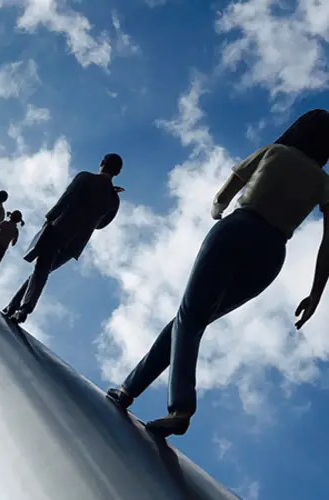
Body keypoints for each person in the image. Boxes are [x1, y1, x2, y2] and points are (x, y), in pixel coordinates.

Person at [107, 109, 329, 438]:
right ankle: (127, 390)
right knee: (190, 321)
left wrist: (217, 210)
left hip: (238, 229)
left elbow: (223, 195)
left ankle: (180, 408)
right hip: (271, 255)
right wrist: (315, 294)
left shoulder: (274, 152)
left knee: (190, 317)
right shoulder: (324, 182)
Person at [3, 154, 124, 324]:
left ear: (101, 163)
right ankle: (13, 305)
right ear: (117, 172)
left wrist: (49, 218)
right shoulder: (114, 199)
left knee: (41, 269)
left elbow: (66, 198)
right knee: (43, 271)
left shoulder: (85, 177)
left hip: (59, 228)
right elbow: (100, 225)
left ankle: (24, 309)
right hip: (76, 243)